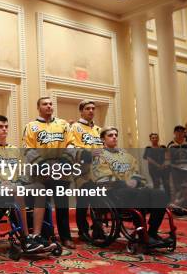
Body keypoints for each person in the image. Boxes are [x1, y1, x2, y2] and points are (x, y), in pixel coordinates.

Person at [0, 115, 43, 252]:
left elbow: (22, 172)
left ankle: (36, 235)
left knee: (40, 188)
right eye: (0, 126)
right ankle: (25, 238)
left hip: (14, 186)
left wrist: (25, 180)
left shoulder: (15, 149)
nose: (4, 129)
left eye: (6, 127)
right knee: (17, 190)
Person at [92, 127, 170, 247]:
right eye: (110, 135)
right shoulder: (99, 155)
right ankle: (142, 235)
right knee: (141, 194)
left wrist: (135, 180)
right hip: (113, 192)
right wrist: (124, 183)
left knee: (160, 194)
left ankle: (152, 232)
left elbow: (136, 170)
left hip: (132, 190)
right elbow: (101, 178)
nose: (114, 137)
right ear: (103, 139)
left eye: (116, 135)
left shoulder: (125, 154)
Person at [22, 97, 75, 249]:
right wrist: (45, 166)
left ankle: (66, 237)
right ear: (38, 107)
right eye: (45, 104)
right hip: (41, 172)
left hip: (61, 171)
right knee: (42, 204)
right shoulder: (31, 126)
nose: (49, 106)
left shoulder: (63, 125)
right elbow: (28, 148)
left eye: (51, 104)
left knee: (62, 205)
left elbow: (71, 144)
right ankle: (44, 236)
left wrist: (62, 164)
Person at [69, 100, 103, 242]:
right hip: (82, 172)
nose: (91, 111)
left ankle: (97, 229)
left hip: (99, 172)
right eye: (88, 108)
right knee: (83, 202)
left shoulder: (99, 130)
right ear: (81, 111)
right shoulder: (75, 128)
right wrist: (88, 154)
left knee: (99, 201)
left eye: (93, 108)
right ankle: (83, 231)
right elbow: (71, 148)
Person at [166, 125, 187, 203]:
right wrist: (167, 163)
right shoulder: (171, 145)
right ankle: (177, 205)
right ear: (174, 133)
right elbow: (167, 158)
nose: (180, 133)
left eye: (182, 131)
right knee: (175, 188)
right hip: (176, 169)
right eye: (178, 131)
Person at [143, 133, 169, 198]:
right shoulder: (148, 148)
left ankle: (168, 198)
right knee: (156, 184)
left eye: (156, 137)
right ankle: (157, 198)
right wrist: (158, 165)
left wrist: (163, 165)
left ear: (158, 138)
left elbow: (167, 156)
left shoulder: (163, 147)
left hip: (164, 168)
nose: (155, 139)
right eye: (153, 138)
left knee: (166, 184)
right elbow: (148, 158)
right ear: (150, 139)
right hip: (153, 170)